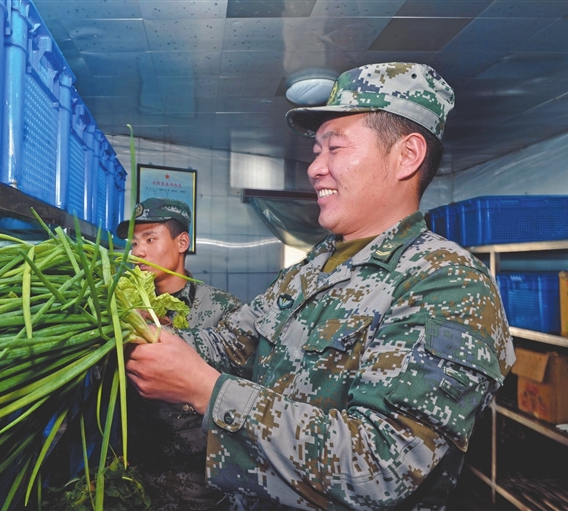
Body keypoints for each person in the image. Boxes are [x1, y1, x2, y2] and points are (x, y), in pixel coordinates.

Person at [125, 62, 516, 510]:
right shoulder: (311, 269)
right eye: (316, 151)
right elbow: (230, 343)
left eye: (335, 148)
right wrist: (133, 331)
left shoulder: (447, 283)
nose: (315, 168)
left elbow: (381, 467)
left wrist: (206, 391)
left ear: (407, 156)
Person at [116, 197, 245, 510]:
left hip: (196, 487)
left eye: (150, 239)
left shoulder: (221, 309)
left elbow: (237, 393)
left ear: (182, 242)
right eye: (134, 243)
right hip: (130, 480)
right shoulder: (119, 308)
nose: (139, 252)